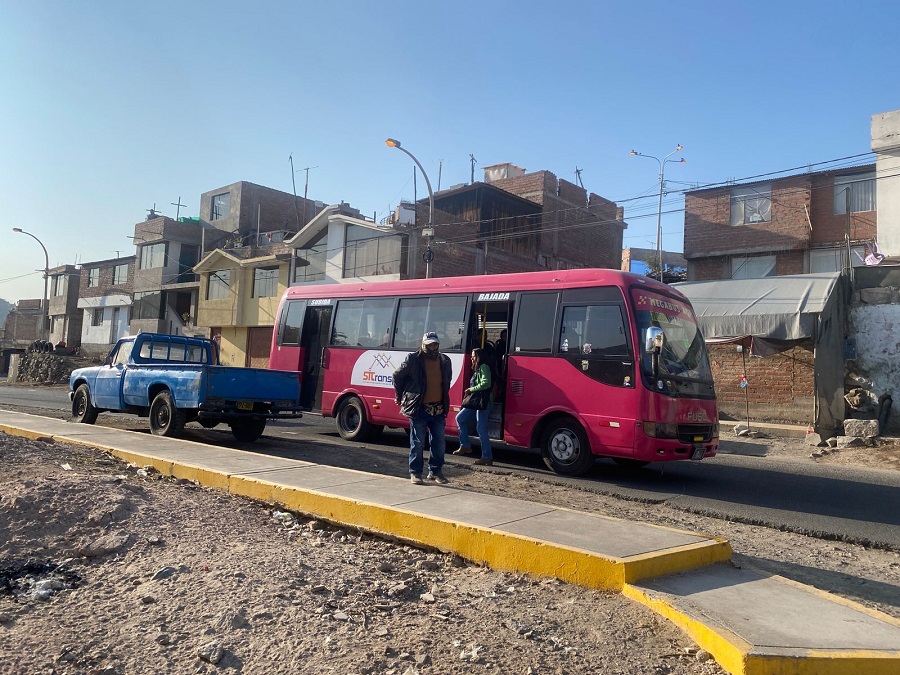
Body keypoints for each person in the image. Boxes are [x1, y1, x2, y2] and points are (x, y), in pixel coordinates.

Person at [393, 331, 453, 485]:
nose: (432, 347)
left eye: (435, 344)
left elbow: (447, 381)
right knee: (418, 442)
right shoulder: (413, 359)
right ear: (423, 345)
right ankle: (415, 472)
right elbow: (397, 376)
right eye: (429, 345)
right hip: (419, 408)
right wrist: (400, 396)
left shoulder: (445, 361)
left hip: (438, 409)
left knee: (439, 443)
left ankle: (435, 471)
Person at [453, 348, 493, 465]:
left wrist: (471, 389)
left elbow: (486, 383)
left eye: (473, 356)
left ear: (479, 357)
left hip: (483, 403)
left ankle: (487, 456)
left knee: (481, 429)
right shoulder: (477, 368)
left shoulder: (484, 367)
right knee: (460, 418)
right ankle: (465, 445)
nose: (471, 358)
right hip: (476, 402)